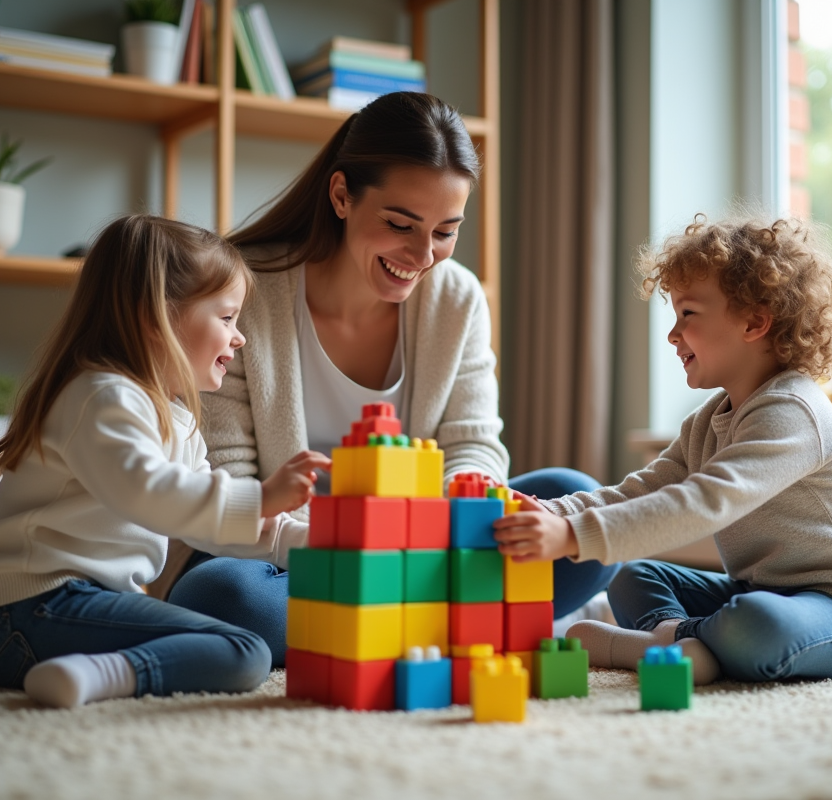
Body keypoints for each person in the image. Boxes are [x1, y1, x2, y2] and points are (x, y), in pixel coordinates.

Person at [162, 92, 619, 661]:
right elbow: (231, 484)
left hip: (422, 549)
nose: (423, 254)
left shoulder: (457, 300)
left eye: (446, 231)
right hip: (281, 554)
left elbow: (472, 445)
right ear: (341, 195)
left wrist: (463, 505)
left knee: (584, 508)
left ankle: (393, 626)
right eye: (401, 224)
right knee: (224, 595)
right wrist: (362, 551)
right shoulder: (243, 294)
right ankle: (438, 622)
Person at [492, 214, 832, 685]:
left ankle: (671, 643)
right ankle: (682, 644)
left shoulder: (794, 410)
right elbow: (641, 489)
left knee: (757, 625)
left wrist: (572, 536)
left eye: (687, 315)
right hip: (760, 590)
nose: (673, 334)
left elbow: (708, 501)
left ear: (754, 321)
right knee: (633, 577)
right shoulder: (707, 420)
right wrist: (553, 512)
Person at [0, 214, 330, 708]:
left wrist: (321, 544)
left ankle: (91, 671)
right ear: (155, 318)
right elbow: (150, 493)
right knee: (244, 651)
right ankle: (102, 674)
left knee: (242, 650)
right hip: (29, 611)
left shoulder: (175, 417)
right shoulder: (100, 397)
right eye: (226, 318)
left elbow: (208, 525)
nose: (239, 337)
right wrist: (261, 496)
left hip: (78, 607)